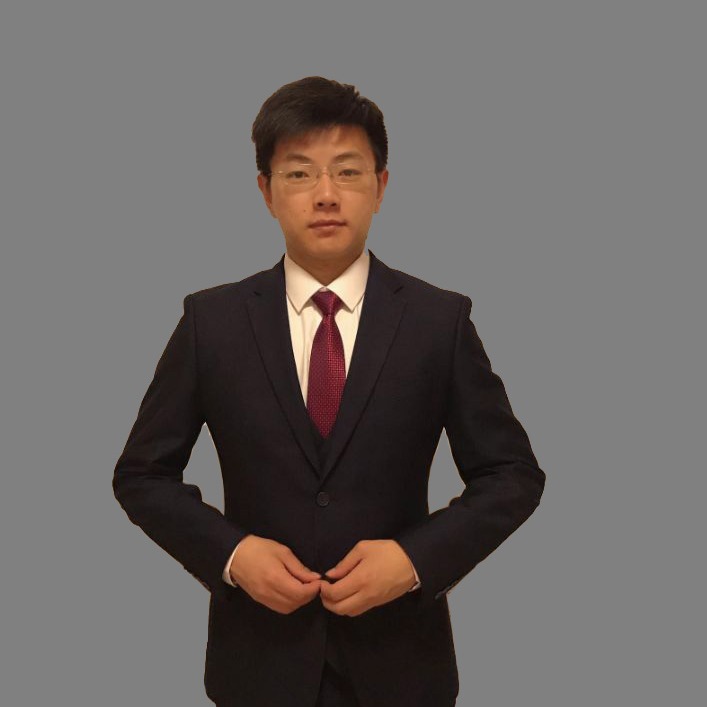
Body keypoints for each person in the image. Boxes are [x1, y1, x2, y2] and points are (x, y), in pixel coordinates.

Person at [113, 76, 545, 707]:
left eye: (347, 172)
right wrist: (232, 555)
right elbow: (141, 474)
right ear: (266, 191)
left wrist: (414, 560)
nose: (325, 195)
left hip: (402, 665)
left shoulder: (438, 321)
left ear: (381, 186)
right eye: (299, 174)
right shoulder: (213, 322)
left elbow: (512, 475)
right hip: (257, 666)